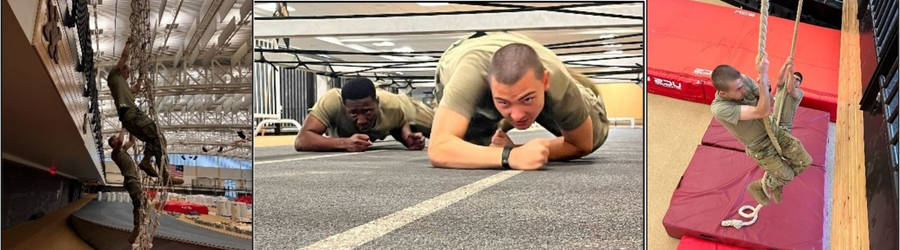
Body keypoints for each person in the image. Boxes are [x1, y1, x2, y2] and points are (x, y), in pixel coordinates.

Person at [427, 32, 610, 170]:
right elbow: (439, 148)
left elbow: (582, 144)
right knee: (471, 150)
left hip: (529, 54)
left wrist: (517, 149)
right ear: (489, 87)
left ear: (545, 81)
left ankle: (531, 99)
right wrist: (510, 156)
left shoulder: (555, 79)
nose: (518, 114)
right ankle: (510, 104)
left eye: (527, 99)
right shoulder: (468, 79)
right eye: (504, 102)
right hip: (463, 55)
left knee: (595, 134)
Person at [709, 55, 812, 206]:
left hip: (774, 130)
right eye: (738, 89)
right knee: (787, 175)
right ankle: (758, 186)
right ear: (724, 93)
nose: (744, 89)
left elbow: (769, 103)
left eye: (743, 84)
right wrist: (763, 77)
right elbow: (761, 112)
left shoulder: (744, 80)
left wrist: (767, 87)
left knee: (805, 161)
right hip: (761, 147)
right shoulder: (720, 108)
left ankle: (776, 182)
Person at [108, 36, 182, 185]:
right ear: (121, 71)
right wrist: (129, 42)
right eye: (127, 72)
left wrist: (141, 77)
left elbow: (136, 89)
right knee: (156, 133)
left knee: (155, 139)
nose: (128, 75)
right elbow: (124, 56)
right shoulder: (114, 77)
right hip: (131, 113)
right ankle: (158, 170)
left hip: (130, 117)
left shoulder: (125, 87)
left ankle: (149, 163)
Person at [295, 78, 434, 152]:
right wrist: (345, 143)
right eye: (353, 113)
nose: (361, 120)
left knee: (442, 126)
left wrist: (407, 138)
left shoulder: (392, 106)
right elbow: (302, 140)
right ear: (344, 107)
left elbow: (400, 122)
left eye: (367, 111)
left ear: (377, 103)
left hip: (407, 106)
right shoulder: (331, 101)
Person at [107, 129, 146, 243]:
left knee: (141, 203)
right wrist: (123, 128)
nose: (117, 139)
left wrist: (130, 129)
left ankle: (139, 226)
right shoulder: (115, 153)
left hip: (134, 180)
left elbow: (131, 141)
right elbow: (120, 141)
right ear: (113, 143)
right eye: (115, 138)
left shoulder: (123, 150)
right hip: (131, 180)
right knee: (139, 203)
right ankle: (137, 230)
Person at [772, 58, 804, 132]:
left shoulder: (799, 92)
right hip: (773, 121)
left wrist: (790, 73)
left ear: (800, 84)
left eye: (797, 79)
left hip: (784, 127)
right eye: (793, 78)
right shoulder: (782, 86)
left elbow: (790, 90)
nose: (794, 80)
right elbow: (780, 77)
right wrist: (786, 64)